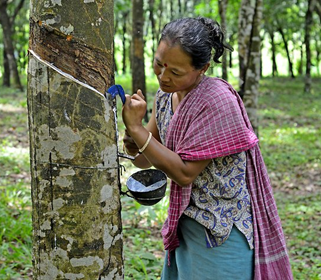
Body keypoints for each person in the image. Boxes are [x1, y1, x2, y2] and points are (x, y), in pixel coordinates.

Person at [122, 17, 293, 280]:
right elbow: (145, 159)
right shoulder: (165, 96)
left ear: (203, 68)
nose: (163, 76)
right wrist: (132, 137)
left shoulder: (216, 101)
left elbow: (184, 173)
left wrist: (138, 130)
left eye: (175, 72)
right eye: (158, 64)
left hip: (221, 231)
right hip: (187, 224)